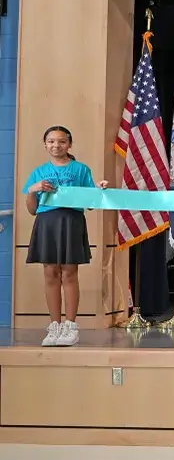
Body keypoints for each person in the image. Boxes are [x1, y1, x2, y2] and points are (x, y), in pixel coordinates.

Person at [23, 126, 108, 347]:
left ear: (69, 144)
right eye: (51, 141)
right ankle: (55, 326)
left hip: (71, 222)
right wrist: (32, 190)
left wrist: (99, 189)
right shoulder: (38, 171)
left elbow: (90, 203)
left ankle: (71, 326)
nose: (55, 146)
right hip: (46, 223)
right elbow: (32, 209)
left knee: (69, 273)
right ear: (45, 144)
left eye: (61, 141)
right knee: (50, 273)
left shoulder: (81, 169)